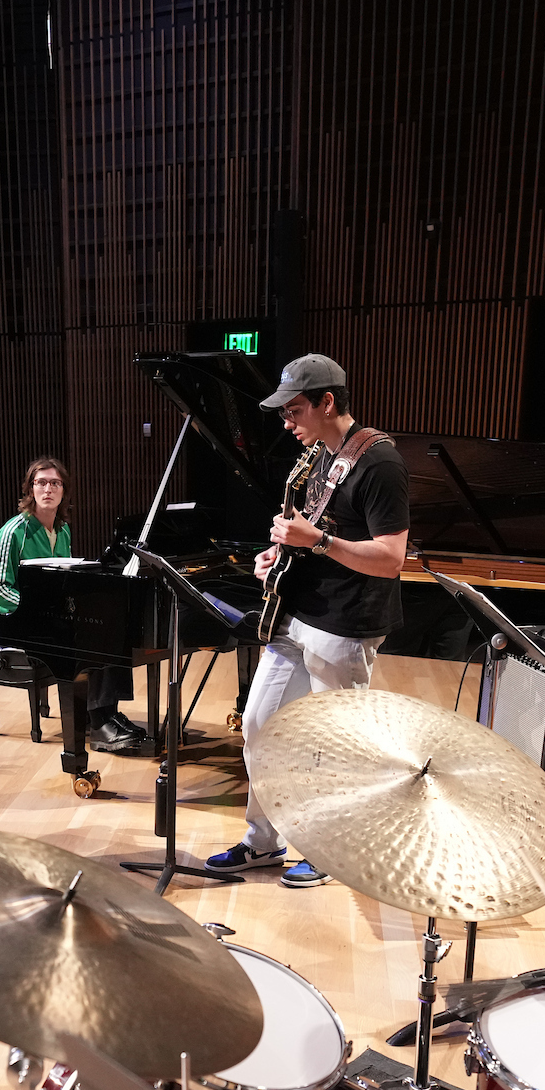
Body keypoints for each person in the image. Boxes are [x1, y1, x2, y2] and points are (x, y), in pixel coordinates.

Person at [208, 354, 411, 888]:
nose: (287, 423)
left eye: (295, 411)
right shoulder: (320, 455)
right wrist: (276, 553)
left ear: (328, 402)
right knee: (259, 724)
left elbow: (392, 558)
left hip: (346, 623)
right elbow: (308, 530)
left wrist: (318, 540)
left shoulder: (380, 464)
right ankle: (263, 841)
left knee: (334, 745)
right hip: (298, 614)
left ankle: (328, 850)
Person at [0, 455, 149, 754]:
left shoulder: (62, 530)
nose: (48, 489)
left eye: (55, 483)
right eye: (41, 483)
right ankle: (99, 721)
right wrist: (35, 611)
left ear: (64, 491)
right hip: (21, 620)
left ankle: (107, 713)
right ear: (30, 489)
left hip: (53, 615)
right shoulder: (14, 532)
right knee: (89, 637)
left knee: (112, 624)